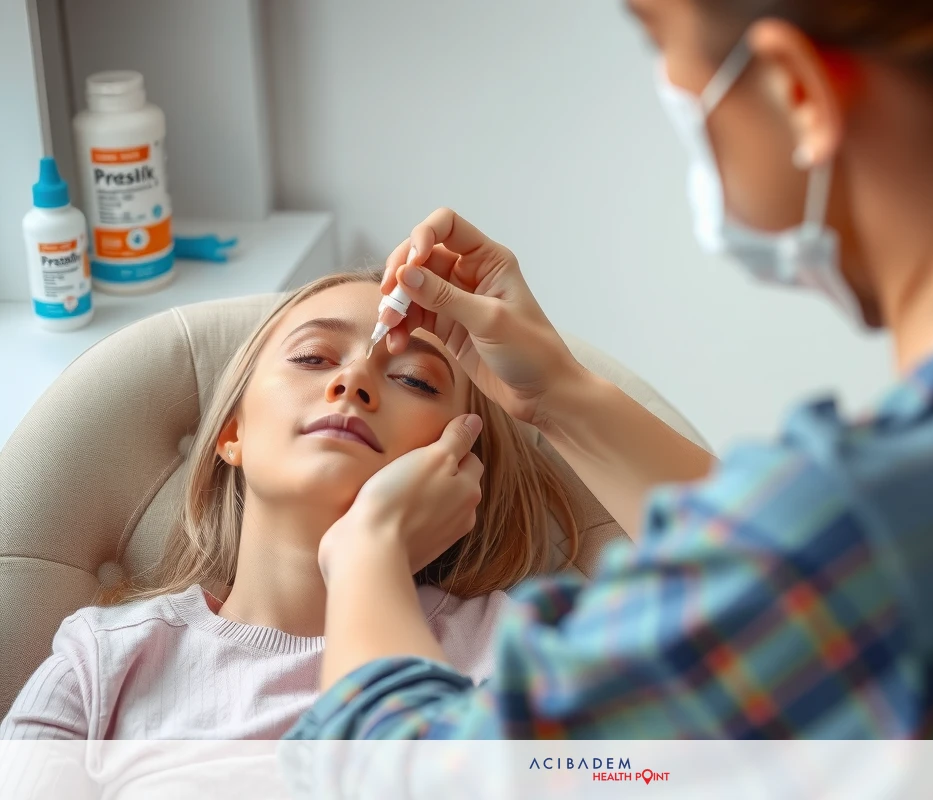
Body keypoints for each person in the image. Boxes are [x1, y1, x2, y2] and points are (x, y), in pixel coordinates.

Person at [286, 0, 933, 755]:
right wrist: (555, 392)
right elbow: (810, 592)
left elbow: (405, 774)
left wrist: (366, 550)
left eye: (660, 46)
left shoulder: (853, 543)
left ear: (798, 91)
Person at [0, 270, 578, 743]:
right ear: (232, 433)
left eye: (416, 380)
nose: (353, 381)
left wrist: (369, 553)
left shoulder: (521, 649)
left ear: (459, 463)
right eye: (311, 358)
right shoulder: (103, 665)